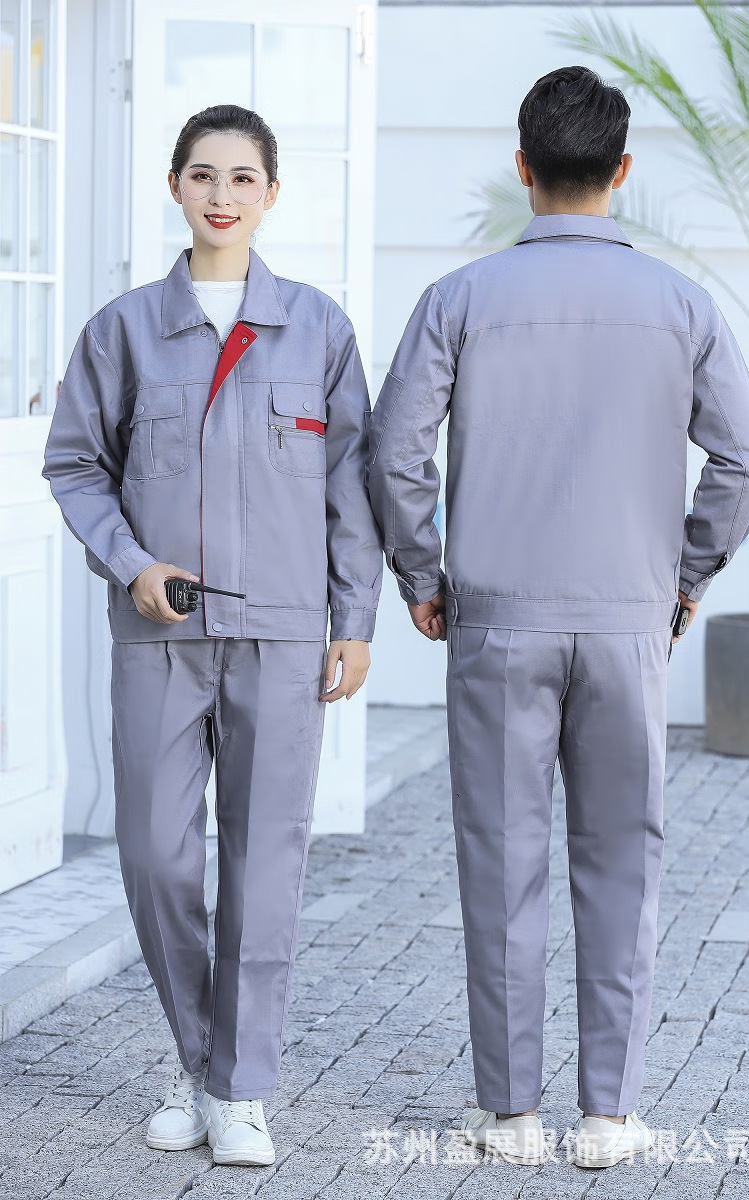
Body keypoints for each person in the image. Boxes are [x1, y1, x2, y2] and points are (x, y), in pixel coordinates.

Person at [366, 66, 749, 1170]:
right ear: (621, 170)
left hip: (494, 617)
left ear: (521, 166)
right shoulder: (682, 304)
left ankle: (510, 1116)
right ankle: (608, 1115)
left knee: (502, 857)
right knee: (622, 856)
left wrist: (420, 573)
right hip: (630, 614)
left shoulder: (458, 299)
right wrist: (684, 576)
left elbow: (395, 451)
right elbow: (741, 460)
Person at [42, 103, 383, 1168]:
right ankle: (203, 1061)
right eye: (203, 174)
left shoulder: (317, 328)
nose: (221, 195)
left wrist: (353, 620)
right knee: (153, 854)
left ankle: (239, 1090)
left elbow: (354, 487)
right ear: (175, 186)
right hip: (162, 631)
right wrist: (132, 564)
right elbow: (74, 464)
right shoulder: (123, 330)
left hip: (282, 632)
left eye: (242, 178)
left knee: (264, 863)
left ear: (271, 193)